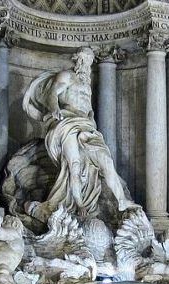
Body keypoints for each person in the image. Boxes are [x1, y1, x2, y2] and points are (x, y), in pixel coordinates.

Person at [21, 47, 136, 222]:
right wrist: (54, 109)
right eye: (85, 60)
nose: (87, 65)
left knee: (106, 161)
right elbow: (53, 93)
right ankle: (79, 203)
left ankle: (122, 201)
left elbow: (88, 108)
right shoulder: (66, 76)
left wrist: (92, 120)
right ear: (78, 61)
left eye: (90, 61)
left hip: (87, 127)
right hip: (67, 123)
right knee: (73, 165)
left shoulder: (86, 85)